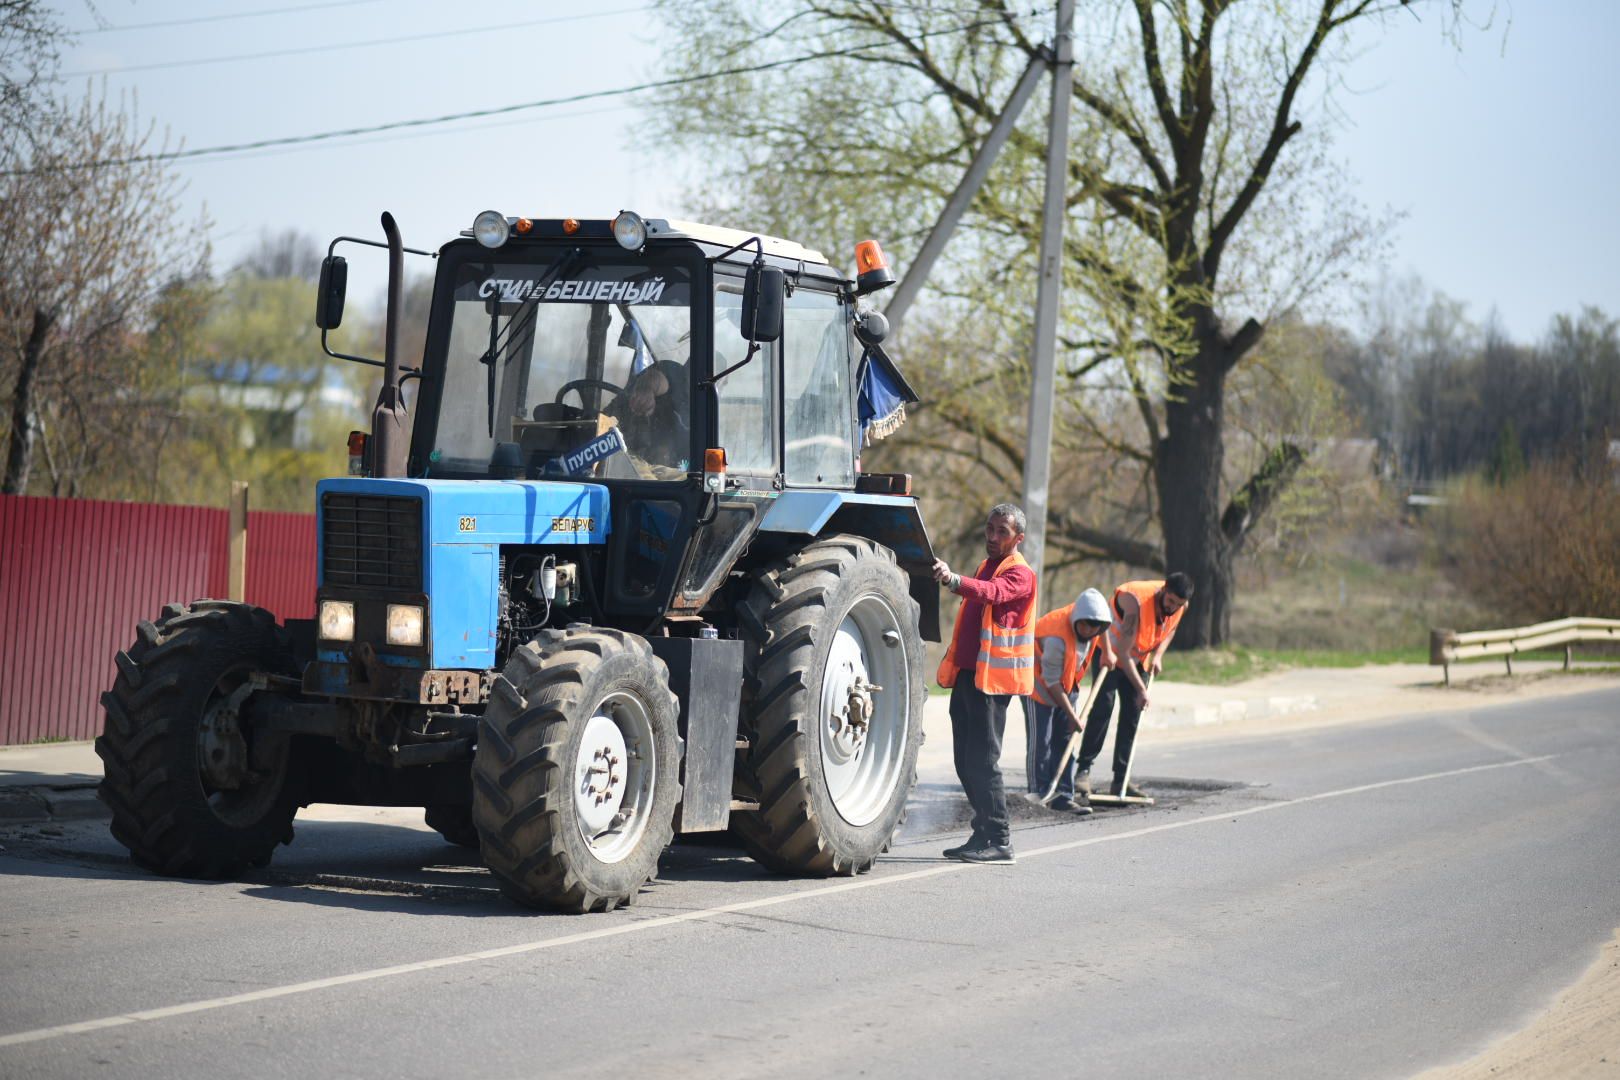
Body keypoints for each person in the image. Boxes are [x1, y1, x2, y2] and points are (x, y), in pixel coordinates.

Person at [931, 503, 1038, 864]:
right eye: (989, 529)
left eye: (1001, 532)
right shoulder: (986, 565)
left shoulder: (1020, 574)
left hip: (992, 683)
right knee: (965, 759)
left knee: (985, 761)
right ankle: (981, 833)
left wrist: (953, 580)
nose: (992, 537)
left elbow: (991, 594)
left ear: (1017, 538)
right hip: (968, 676)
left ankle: (1001, 839)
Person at [1076, 573, 1194, 799]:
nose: (1172, 608)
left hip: (1138, 659)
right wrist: (1141, 689)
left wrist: (1158, 655)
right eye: (1170, 602)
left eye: (1178, 605)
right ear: (1163, 590)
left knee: (1132, 714)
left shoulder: (1181, 605)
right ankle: (1082, 772)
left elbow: (1171, 628)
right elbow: (1122, 652)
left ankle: (1121, 779)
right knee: (1103, 707)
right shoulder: (1135, 600)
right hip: (1110, 653)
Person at [1030, 588, 1116, 812]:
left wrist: (1107, 652)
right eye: (1084, 626)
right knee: (1043, 742)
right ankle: (1039, 793)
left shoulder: (1094, 623)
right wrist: (1071, 715)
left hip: (1067, 684)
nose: (1088, 631)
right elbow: (1051, 682)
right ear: (1077, 620)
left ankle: (1064, 795)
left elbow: (1102, 628)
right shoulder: (1056, 638)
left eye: (1094, 627)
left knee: (1067, 740)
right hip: (1039, 684)